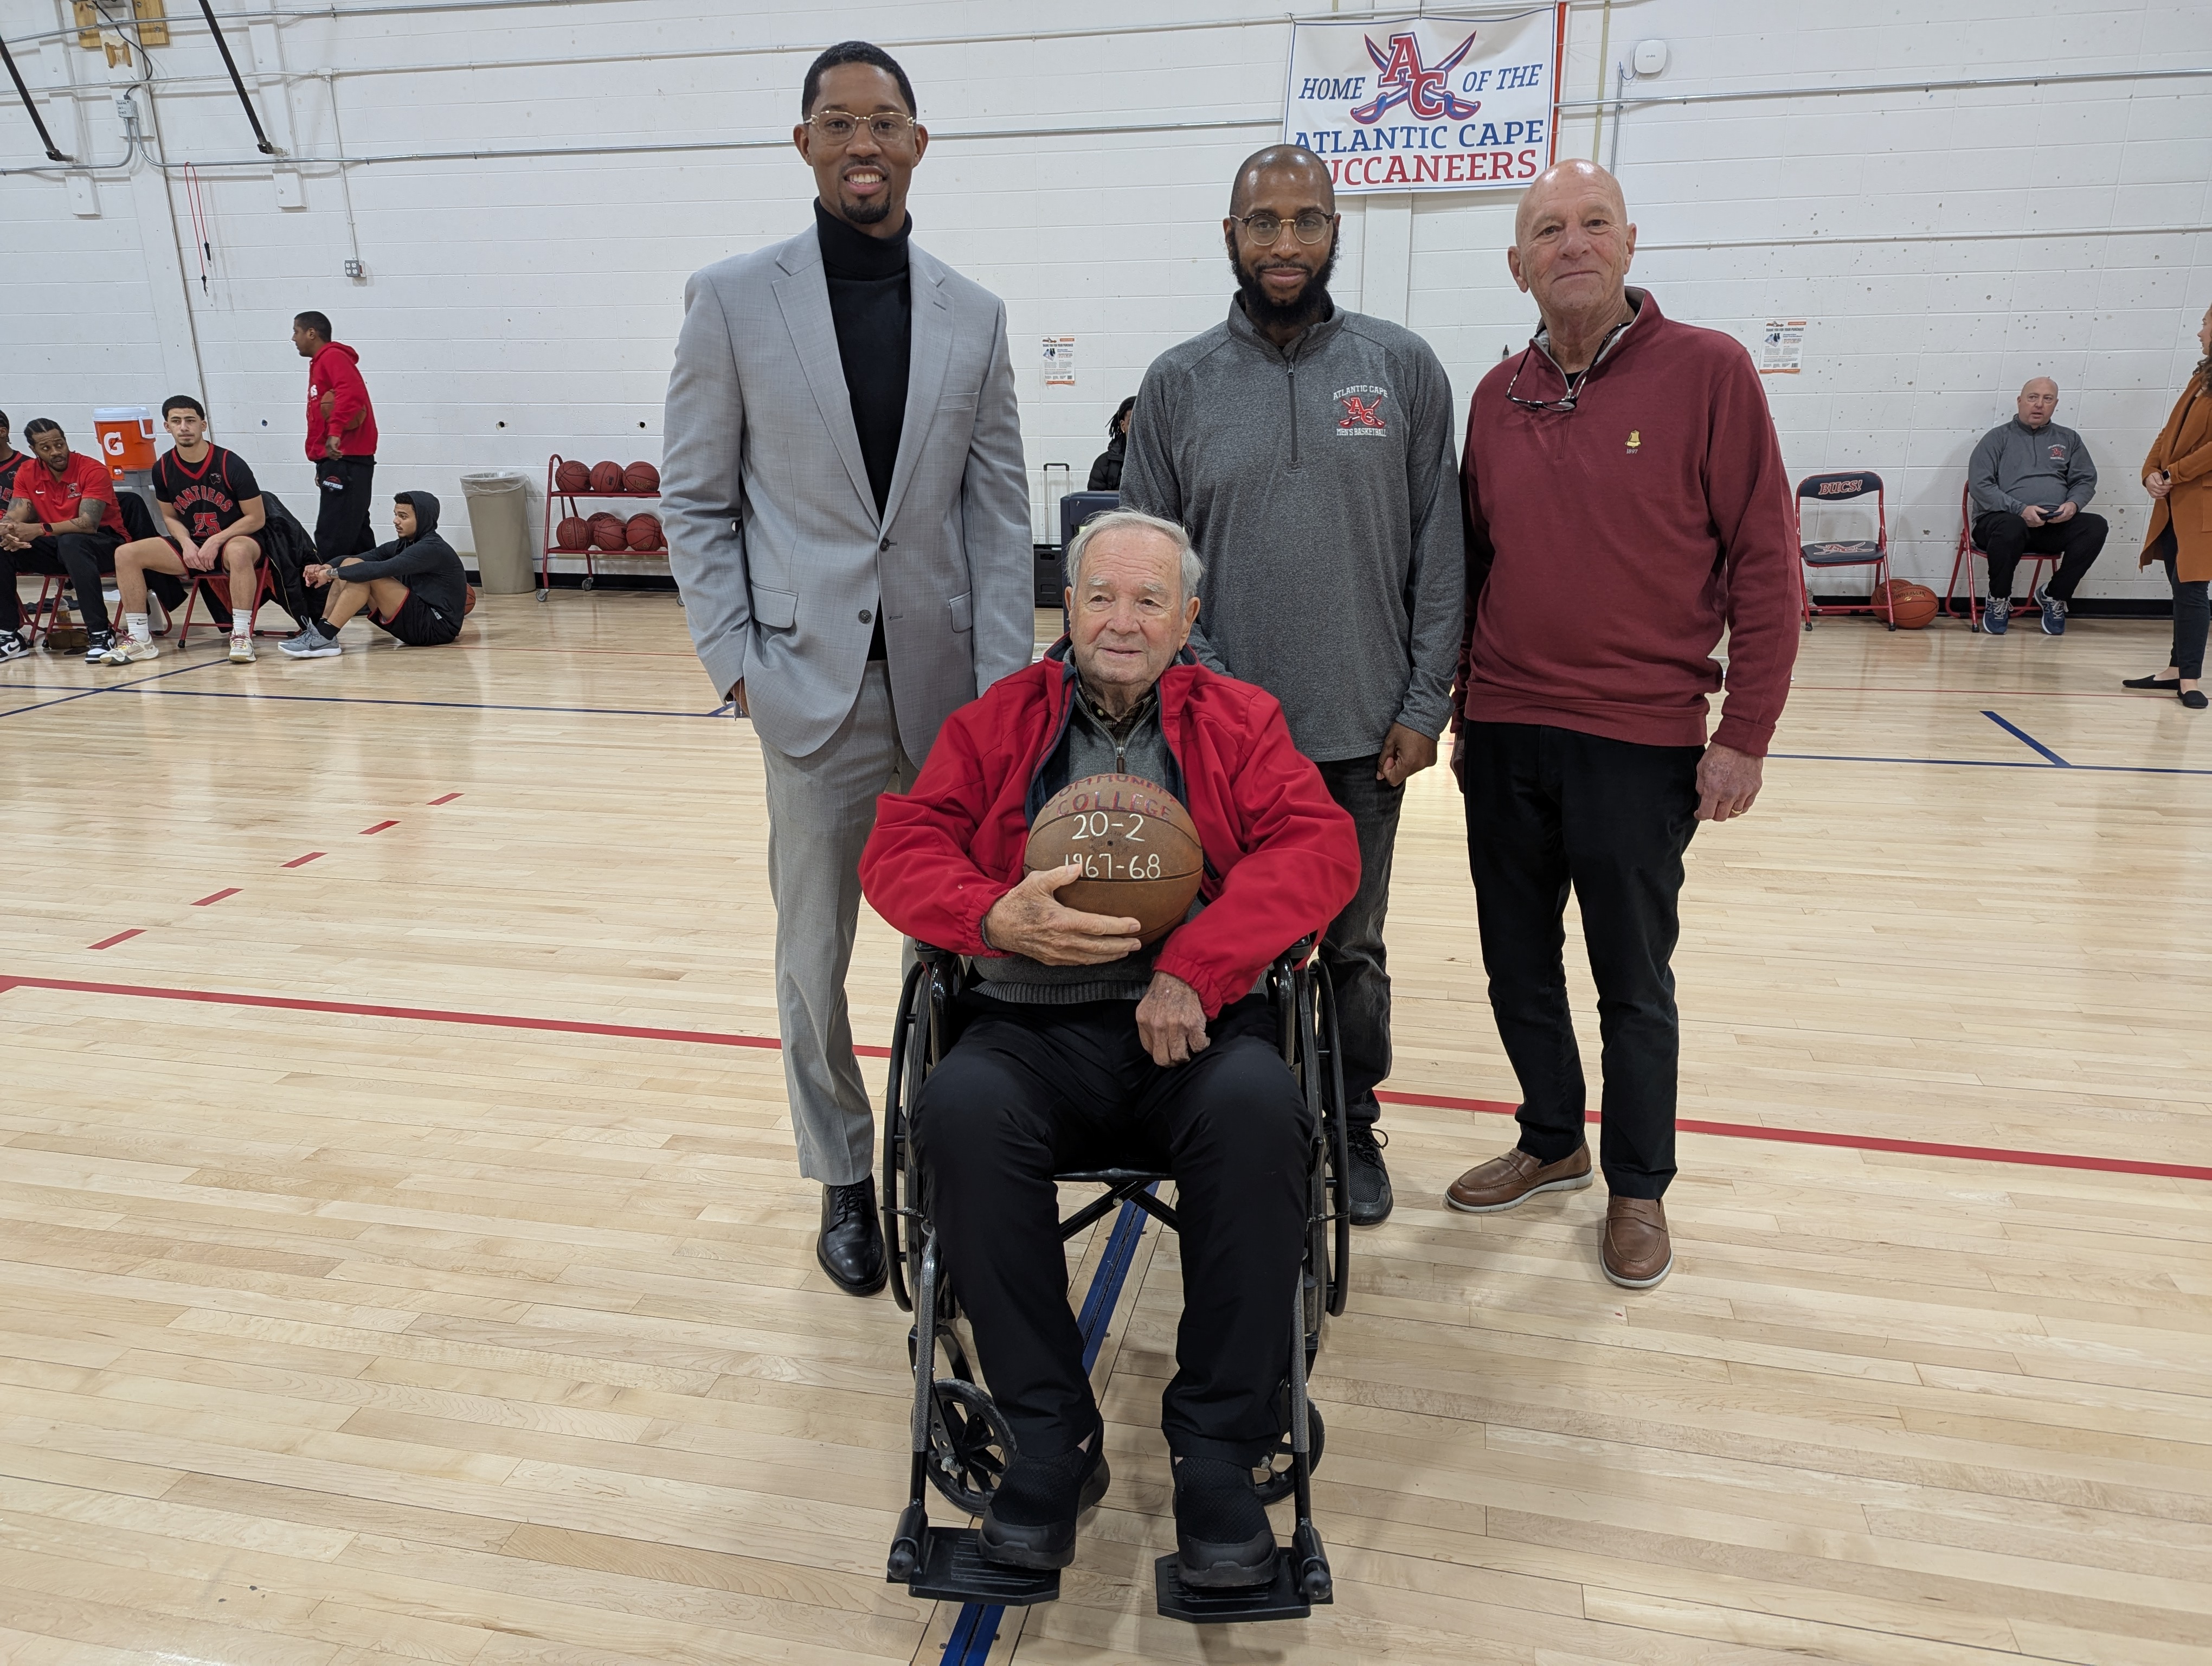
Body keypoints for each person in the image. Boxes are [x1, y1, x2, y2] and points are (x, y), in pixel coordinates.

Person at [859, 510, 1359, 1586]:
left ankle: (1218, 1449)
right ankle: (1050, 1441)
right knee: (957, 1110)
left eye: (1148, 601)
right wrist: (991, 916)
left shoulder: (1242, 721)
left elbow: (1319, 847)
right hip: (1029, 1028)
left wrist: (1201, 966)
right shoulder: (1001, 721)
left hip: (1196, 1030)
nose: (1121, 622)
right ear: (1069, 607)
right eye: (1100, 597)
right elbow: (900, 845)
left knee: (1265, 1110)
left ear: (1187, 618)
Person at [662, 40, 1032, 1299]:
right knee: (809, 953)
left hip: (948, 703)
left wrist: (999, 697)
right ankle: (839, 1173)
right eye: (836, 122)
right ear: (805, 144)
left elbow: (992, 517)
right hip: (805, 695)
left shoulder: (972, 314)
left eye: (882, 122)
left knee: (964, 950)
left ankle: (948, 1162)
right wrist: (736, 664)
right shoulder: (731, 300)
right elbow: (693, 498)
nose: (860, 143)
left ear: (917, 143)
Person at [1446, 160, 1799, 1290]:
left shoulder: (1710, 371)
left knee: (1633, 979)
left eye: (1593, 222)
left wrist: (1745, 730)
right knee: (1514, 963)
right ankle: (1552, 1138)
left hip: (1641, 737)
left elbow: (1766, 562)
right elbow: (1473, 563)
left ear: (1631, 241)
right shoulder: (1495, 395)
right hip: (1504, 727)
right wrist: (1458, 705)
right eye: (1547, 229)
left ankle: (1639, 1188)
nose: (1572, 243)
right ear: (1518, 264)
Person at [1120, 143, 1462, 1227]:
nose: (1284, 243)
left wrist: (1422, 706)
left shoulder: (1402, 368)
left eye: (1305, 221)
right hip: (1216, 744)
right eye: (1262, 223)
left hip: (1364, 740)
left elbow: (1440, 554)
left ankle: (1351, 1124)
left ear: (1335, 233)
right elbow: (1146, 569)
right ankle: (1233, 1125)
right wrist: (1218, 701)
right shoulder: (1176, 384)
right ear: (1230, 237)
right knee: (1217, 942)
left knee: (1351, 949)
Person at [104, 395, 268, 665]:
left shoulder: (230, 463)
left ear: (203, 425)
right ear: (167, 427)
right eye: (176, 421)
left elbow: (256, 518)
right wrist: (186, 542)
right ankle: (140, 639)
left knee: (238, 551)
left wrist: (217, 540)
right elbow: (170, 516)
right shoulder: (163, 468)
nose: (184, 427)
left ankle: (241, 634)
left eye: (190, 420)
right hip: (193, 543)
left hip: (236, 540)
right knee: (125, 554)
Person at [1966, 377, 2106, 636]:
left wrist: (2073, 505)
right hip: (2000, 523)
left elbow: (2085, 480)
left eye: (2047, 399)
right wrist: (2020, 509)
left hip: (2052, 524)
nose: (2039, 405)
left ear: (2055, 405)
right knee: (2011, 525)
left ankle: (2055, 595)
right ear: (2020, 401)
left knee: (2096, 525)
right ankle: (1998, 600)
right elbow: (1980, 486)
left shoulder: (2069, 439)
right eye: (2033, 397)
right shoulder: (1996, 439)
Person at [2124, 301, 2212, 710]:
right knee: (2179, 585)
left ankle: (2191, 678)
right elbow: (2169, 431)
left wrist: (2173, 474)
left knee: (2193, 588)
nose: (2200, 333)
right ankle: (2177, 669)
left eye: (2205, 324)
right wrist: (2150, 472)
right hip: (2176, 499)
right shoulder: (2202, 376)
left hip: (2202, 502)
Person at [0, 419, 129, 664]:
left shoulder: (92, 469)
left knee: (72, 543)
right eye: (46, 448)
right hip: (60, 546)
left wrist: (38, 529)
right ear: (34, 450)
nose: (56, 452)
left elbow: (88, 524)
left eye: (59, 444)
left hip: (106, 543)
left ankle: (101, 633)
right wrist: (7, 530)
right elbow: (15, 514)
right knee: (2, 547)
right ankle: (9, 636)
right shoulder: (27, 473)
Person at [281, 491, 467, 658]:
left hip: (437, 627)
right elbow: (359, 558)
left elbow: (379, 570)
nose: (396, 521)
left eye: (403, 516)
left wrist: (330, 574)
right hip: (418, 620)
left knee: (366, 574)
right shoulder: (404, 544)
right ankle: (322, 634)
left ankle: (325, 636)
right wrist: (323, 567)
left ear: (423, 519)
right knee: (352, 564)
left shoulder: (431, 549)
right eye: (396, 515)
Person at [293, 311, 380, 567]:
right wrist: (322, 461)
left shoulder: (332, 357)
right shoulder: (322, 362)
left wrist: (335, 434)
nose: (293, 338)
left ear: (312, 333)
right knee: (356, 534)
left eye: (296, 331)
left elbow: (351, 394)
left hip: (346, 458)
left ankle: (329, 597)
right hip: (339, 461)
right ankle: (371, 596)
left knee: (332, 534)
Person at [1086, 396, 1135, 491]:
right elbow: (1094, 504)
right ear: (1123, 426)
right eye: (1132, 422)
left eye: (1143, 422)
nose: (1138, 428)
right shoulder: (1104, 464)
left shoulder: (1161, 461)